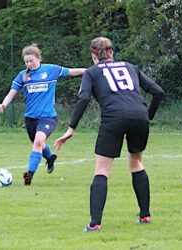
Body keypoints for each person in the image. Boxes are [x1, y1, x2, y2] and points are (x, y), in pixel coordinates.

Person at [54, 37, 164, 232]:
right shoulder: (131, 67)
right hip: (139, 115)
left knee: (102, 170)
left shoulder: (92, 72)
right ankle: (145, 215)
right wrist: (148, 116)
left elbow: (84, 98)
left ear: (93, 55)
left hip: (113, 117)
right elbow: (158, 91)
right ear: (112, 52)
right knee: (137, 163)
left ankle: (95, 223)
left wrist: (71, 128)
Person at [0, 44, 86, 185]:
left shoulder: (51, 70)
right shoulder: (23, 76)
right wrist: (4, 104)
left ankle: (29, 175)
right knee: (39, 144)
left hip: (48, 117)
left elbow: (71, 72)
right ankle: (50, 158)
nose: (29, 64)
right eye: (26, 62)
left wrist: (91, 71)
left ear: (39, 58)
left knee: (38, 142)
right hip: (30, 119)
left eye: (31, 61)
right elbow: (12, 92)